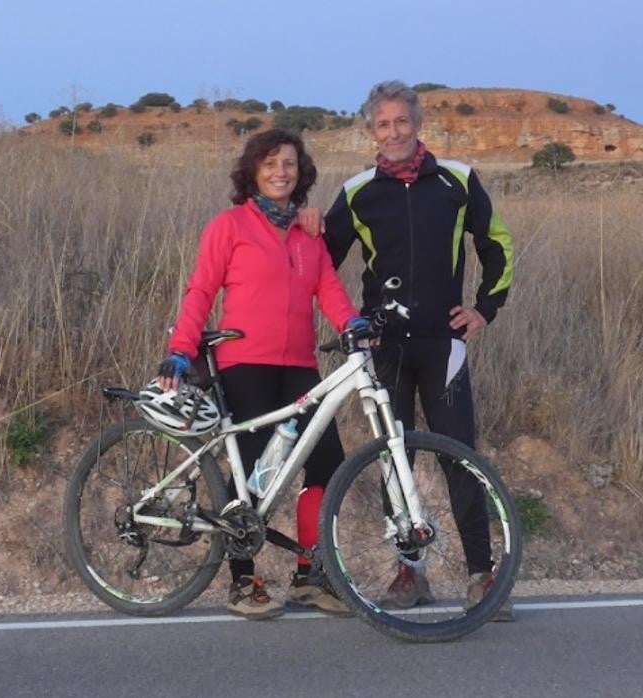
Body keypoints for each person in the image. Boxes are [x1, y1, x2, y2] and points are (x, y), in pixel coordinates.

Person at [321, 80, 516, 610]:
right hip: (383, 349)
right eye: (382, 124)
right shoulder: (359, 191)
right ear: (370, 131)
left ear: (418, 123)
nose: (393, 132)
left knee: (461, 459)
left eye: (401, 121)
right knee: (393, 460)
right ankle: (411, 573)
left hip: (442, 345)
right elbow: (322, 263)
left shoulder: (457, 180)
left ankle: (481, 574)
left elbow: (495, 242)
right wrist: (347, 319)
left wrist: (484, 308)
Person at [157, 129, 365, 620]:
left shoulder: (309, 234)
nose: (280, 172)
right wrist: (179, 352)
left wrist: (352, 324)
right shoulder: (229, 227)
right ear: (253, 171)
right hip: (245, 364)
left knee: (326, 466)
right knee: (252, 475)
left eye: (289, 164)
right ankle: (242, 579)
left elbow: (330, 291)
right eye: (270, 163)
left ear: (301, 173)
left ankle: (311, 575)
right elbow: (200, 292)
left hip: (300, 369)